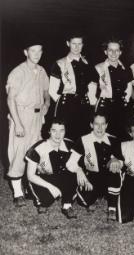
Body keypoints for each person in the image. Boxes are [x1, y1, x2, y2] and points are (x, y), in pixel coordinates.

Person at [6, 38, 50, 207]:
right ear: (26, 52)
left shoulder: (42, 70)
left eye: (39, 51)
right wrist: (17, 123)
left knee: (34, 153)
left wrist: (46, 104)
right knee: (18, 152)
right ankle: (17, 194)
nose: (37, 54)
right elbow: (10, 100)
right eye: (33, 51)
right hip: (21, 115)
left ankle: (30, 188)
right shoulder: (18, 72)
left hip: (37, 117)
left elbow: (47, 93)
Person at [26, 119, 80, 219]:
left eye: (61, 130)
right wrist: (50, 187)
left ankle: (67, 205)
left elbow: (77, 165)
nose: (58, 135)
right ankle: (38, 197)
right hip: (42, 177)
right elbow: (30, 175)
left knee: (73, 173)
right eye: (54, 130)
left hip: (60, 175)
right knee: (46, 201)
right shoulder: (38, 148)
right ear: (49, 131)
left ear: (65, 131)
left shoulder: (70, 145)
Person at [48, 32, 98, 141]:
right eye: (73, 43)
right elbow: (52, 90)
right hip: (66, 107)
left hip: (84, 106)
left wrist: (92, 103)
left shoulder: (88, 64)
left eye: (79, 44)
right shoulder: (59, 63)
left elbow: (92, 86)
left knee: (84, 138)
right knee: (66, 138)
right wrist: (64, 101)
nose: (76, 47)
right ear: (68, 43)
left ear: (83, 45)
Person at [73, 113, 121, 221]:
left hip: (108, 177)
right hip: (91, 177)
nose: (100, 128)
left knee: (115, 170)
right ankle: (94, 196)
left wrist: (115, 160)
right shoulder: (83, 140)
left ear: (107, 125)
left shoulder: (113, 140)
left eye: (103, 124)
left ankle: (112, 208)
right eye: (96, 124)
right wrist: (79, 170)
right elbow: (70, 162)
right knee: (84, 201)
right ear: (91, 125)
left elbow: (121, 160)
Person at [94, 38, 134, 141]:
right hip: (104, 109)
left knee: (123, 138)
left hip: (122, 108)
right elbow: (92, 93)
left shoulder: (126, 69)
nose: (113, 53)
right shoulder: (98, 68)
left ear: (120, 52)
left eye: (116, 50)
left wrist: (126, 103)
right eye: (110, 50)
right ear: (105, 51)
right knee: (104, 139)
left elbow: (129, 90)